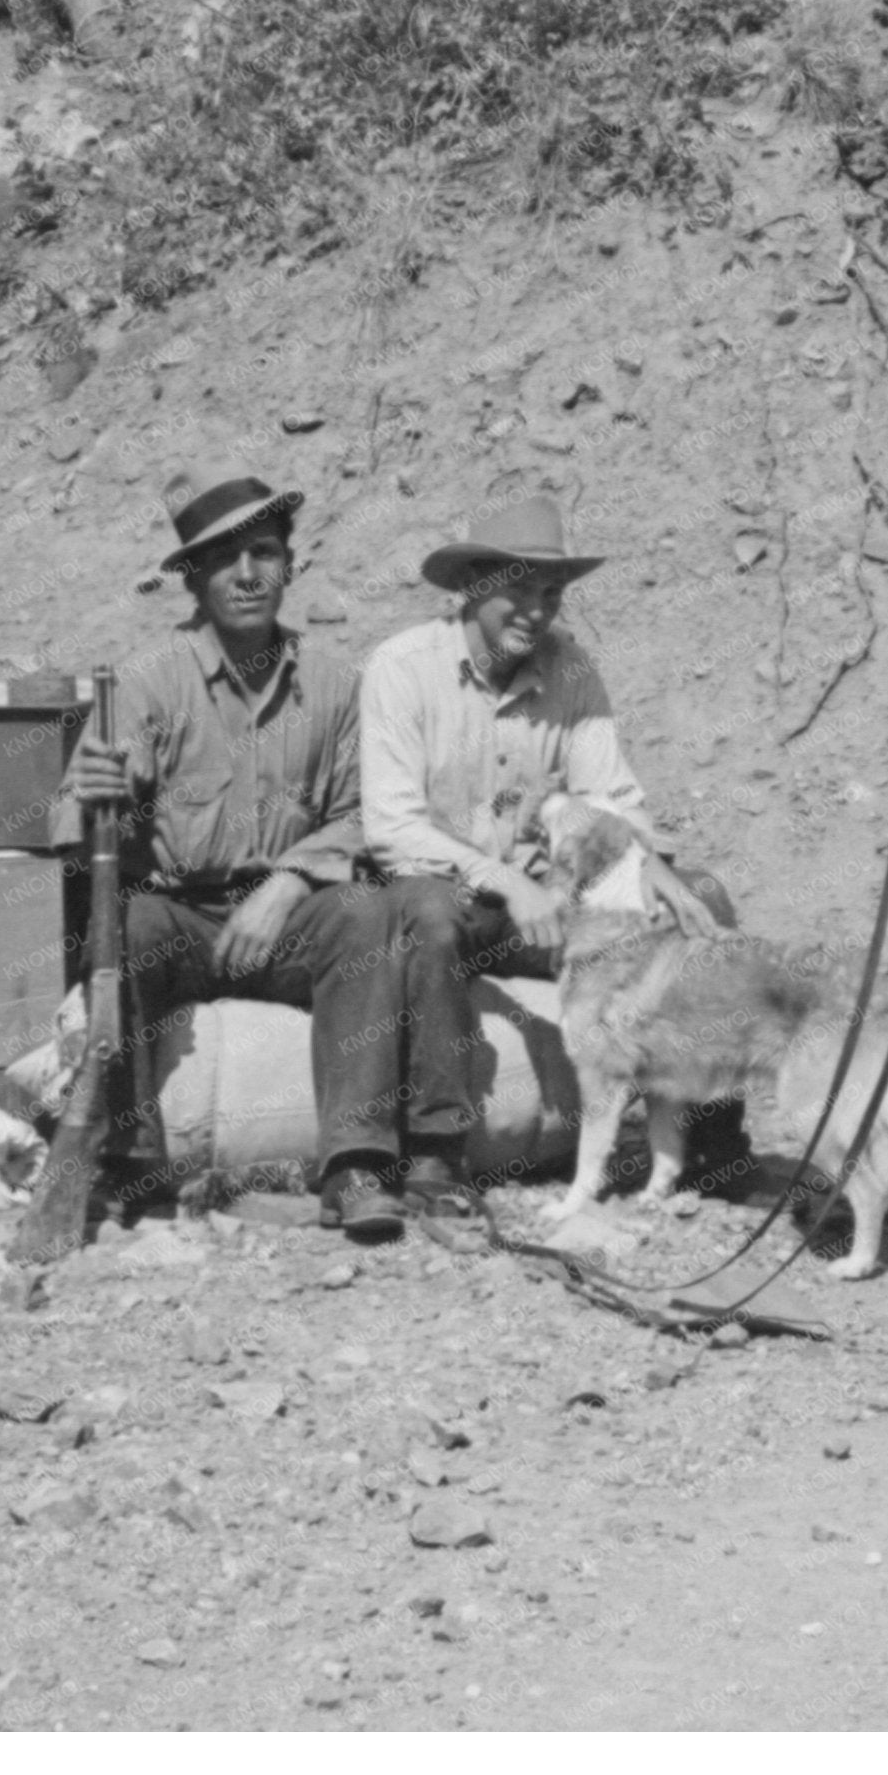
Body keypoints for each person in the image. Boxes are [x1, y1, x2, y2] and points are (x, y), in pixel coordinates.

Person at [62, 474, 447, 1244]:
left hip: (285, 911)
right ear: (194, 581)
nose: (247, 575)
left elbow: (359, 812)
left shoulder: (337, 684)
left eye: (264, 553)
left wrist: (290, 878)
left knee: (365, 913)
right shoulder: (147, 682)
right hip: (177, 908)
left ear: (290, 565)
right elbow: (78, 813)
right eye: (224, 560)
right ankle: (129, 1159)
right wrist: (96, 790)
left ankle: (357, 1166)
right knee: (126, 925)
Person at [358, 494, 741, 1206]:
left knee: (705, 897)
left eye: (551, 593)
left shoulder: (571, 670)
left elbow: (611, 799)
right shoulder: (402, 667)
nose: (536, 611)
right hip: (449, 894)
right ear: (474, 588)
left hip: (552, 908)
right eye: (517, 590)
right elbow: (392, 827)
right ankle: (436, 1156)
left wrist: (652, 865)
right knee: (429, 917)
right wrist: (504, 879)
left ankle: (715, 1139)